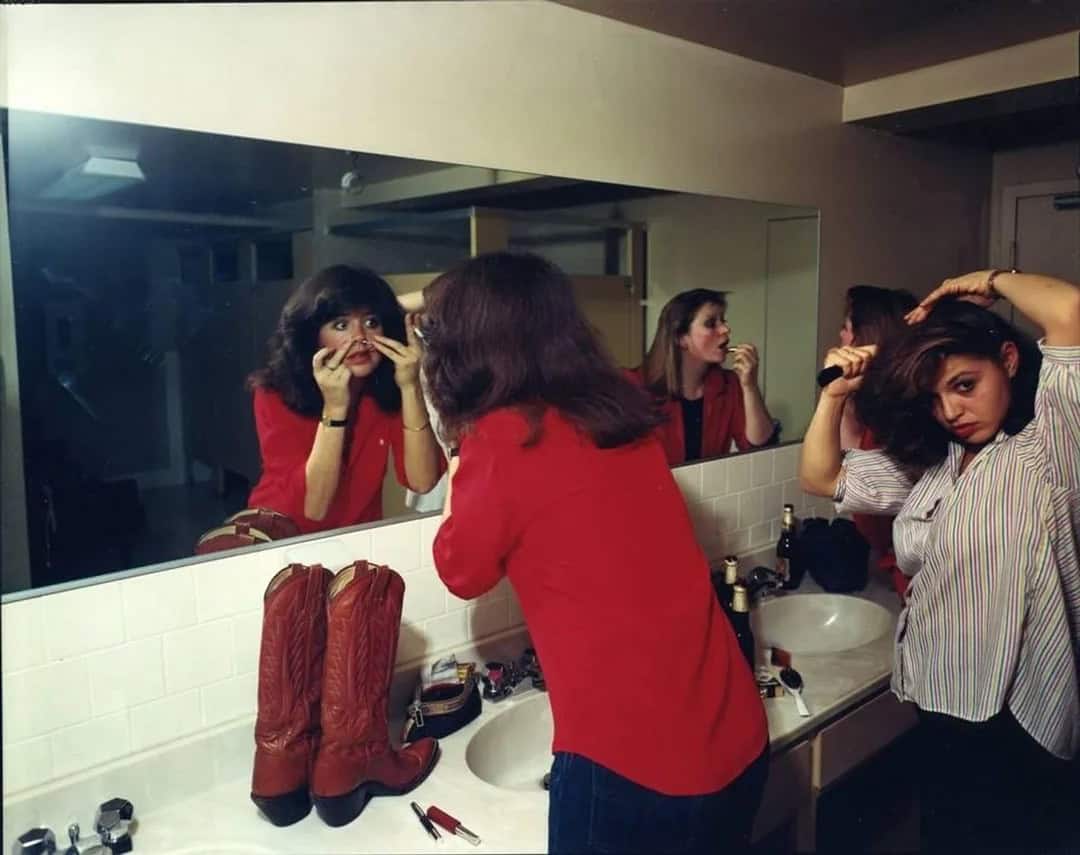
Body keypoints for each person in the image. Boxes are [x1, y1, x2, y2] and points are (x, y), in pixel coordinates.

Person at [423, 253, 768, 855]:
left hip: (637, 766)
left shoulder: (501, 436)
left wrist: (460, 449)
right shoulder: (618, 413)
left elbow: (461, 570)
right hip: (733, 733)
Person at [799, 269, 1080, 853]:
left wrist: (988, 280)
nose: (951, 410)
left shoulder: (1049, 450)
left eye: (965, 385)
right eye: (934, 397)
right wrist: (834, 395)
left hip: (1016, 713)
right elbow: (821, 477)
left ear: (1008, 361)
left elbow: (1070, 311)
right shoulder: (936, 463)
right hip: (937, 695)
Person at [246, 265, 442, 534]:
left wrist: (410, 387)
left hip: (357, 539)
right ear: (313, 335)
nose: (360, 337)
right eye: (341, 325)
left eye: (371, 323)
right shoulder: (275, 393)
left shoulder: (384, 387)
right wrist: (336, 408)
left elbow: (422, 482)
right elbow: (315, 509)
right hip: (281, 536)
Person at [837, 285, 918, 597]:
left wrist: (834, 395)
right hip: (900, 573)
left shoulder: (899, 425)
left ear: (866, 338)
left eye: (846, 327)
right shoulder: (874, 415)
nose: (841, 336)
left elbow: (833, 480)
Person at [637, 289, 775, 465]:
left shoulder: (728, 384)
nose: (725, 329)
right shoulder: (637, 388)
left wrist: (750, 386)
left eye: (723, 320)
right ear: (681, 338)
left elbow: (759, 447)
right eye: (711, 323)